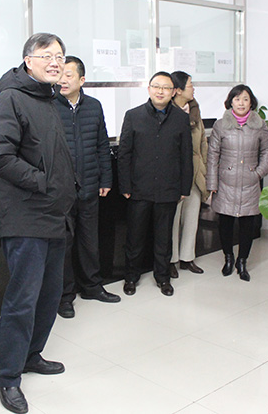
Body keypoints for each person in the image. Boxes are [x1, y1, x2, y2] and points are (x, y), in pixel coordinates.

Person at [0, 33, 76, 414]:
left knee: (49, 295)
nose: (55, 62)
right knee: (23, 299)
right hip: (26, 217)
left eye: (60, 56)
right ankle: (7, 376)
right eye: (47, 55)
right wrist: (43, 181)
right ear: (28, 60)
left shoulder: (48, 99)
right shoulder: (10, 99)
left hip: (54, 215)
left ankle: (30, 355)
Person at [54, 55, 120, 319]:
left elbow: (102, 145)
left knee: (89, 241)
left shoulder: (93, 106)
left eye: (68, 74)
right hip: (61, 190)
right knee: (64, 245)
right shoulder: (48, 105)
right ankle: (64, 296)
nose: (62, 79)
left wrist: (106, 179)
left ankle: (92, 286)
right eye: (59, 74)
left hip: (90, 185)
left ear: (81, 80)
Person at [117, 72, 193, 297]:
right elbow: (125, 154)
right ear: (149, 89)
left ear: (173, 92)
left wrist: (184, 187)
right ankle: (131, 277)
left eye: (166, 87)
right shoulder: (133, 115)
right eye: (156, 86)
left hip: (169, 188)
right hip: (139, 188)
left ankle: (163, 277)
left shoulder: (180, 118)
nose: (160, 91)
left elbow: (186, 154)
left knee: (164, 238)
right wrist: (125, 186)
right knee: (135, 237)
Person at [206, 84, 268, 282]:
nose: (241, 103)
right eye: (237, 99)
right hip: (225, 182)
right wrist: (212, 183)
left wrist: (259, 173)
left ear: (251, 102)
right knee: (225, 223)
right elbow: (212, 154)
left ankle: (242, 261)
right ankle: (228, 258)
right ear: (230, 102)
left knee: (247, 224)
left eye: (245, 99)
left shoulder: (259, 125)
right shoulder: (220, 125)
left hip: (249, 182)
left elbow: (267, 149)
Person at [169, 71, 208, 278]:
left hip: (196, 171)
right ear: (178, 90)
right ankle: (172, 260)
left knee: (192, 217)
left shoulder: (194, 110)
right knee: (173, 219)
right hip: (176, 173)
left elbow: (203, 143)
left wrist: (204, 168)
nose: (193, 89)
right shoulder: (168, 111)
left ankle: (187, 258)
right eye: (190, 85)